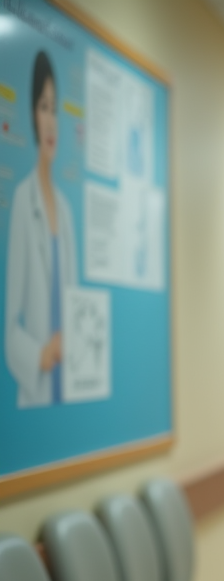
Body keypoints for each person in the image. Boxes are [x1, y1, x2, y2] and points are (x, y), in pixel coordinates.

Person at [5, 50, 77, 408]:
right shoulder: (22, 200)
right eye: (43, 107)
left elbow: (77, 306)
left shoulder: (65, 211)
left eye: (55, 108)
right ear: (33, 116)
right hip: (36, 389)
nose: (51, 121)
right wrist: (40, 354)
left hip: (70, 386)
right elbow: (9, 329)